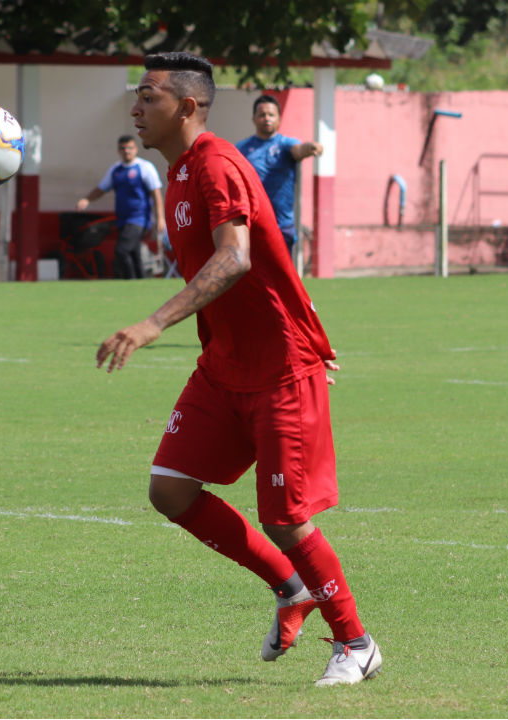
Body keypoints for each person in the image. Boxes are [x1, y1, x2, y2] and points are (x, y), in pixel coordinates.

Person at [96, 52, 381, 687]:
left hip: (279, 368)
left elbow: (237, 260)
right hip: (224, 367)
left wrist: (151, 324)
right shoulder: (174, 174)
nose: (136, 108)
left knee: (285, 517)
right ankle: (289, 588)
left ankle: (355, 642)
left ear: (187, 107)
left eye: (148, 97)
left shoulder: (217, 164)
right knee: (169, 489)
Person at [235, 95, 322, 252]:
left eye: (271, 115)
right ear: (253, 119)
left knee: (281, 276)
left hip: (281, 224)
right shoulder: (241, 148)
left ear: (279, 118)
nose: (266, 118)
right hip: (252, 223)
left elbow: (299, 150)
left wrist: (310, 147)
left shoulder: (285, 144)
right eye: (262, 115)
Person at [77, 135, 166, 279]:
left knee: (121, 250)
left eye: (130, 148)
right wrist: (87, 199)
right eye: (123, 148)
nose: (127, 151)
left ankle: (129, 281)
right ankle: (142, 282)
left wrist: (160, 218)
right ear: (119, 150)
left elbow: (156, 194)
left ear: (136, 149)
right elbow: (102, 188)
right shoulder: (116, 170)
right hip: (122, 219)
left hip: (139, 218)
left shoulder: (144, 167)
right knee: (133, 252)